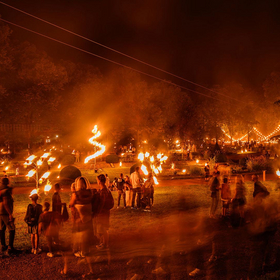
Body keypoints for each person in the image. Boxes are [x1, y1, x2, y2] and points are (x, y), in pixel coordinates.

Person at [0, 177, 18, 255]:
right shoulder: (5, 191)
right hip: (5, 212)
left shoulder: (1, 189)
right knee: (12, 229)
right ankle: (10, 247)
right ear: (7, 182)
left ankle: (3, 245)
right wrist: (10, 214)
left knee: (1, 229)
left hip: (0, 212)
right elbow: (5, 203)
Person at [96, 174, 114, 250]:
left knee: (103, 229)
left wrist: (97, 211)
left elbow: (102, 203)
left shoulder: (103, 191)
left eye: (97, 180)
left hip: (102, 213)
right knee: (104, 228)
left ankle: (105, 244)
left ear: (99, 181)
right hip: (106, 212)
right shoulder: (107, 190)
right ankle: (104, 243)